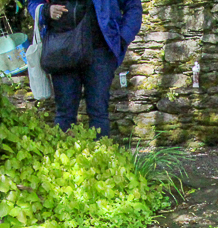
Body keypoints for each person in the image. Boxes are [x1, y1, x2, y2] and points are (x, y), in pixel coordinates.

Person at [27, 0, 142, 138]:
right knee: (65, 114)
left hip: (100, 52)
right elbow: (33, 4)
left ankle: (101, 157)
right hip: (61, 50)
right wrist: (46, 11)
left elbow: (133, 6)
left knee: (98, 112)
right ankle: (65, 158)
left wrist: (122, 39)